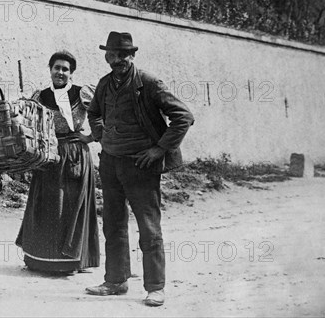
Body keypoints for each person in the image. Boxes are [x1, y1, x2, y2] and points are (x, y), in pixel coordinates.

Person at [84, 31, 194, 306]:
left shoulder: (149, 83)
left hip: (141, 166)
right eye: (112, 54)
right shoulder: (104, 84)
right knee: (113, 224)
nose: (117, 60)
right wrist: (100, 133)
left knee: (148, 227)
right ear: (106, 56)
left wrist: (159, 149)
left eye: (123, 54)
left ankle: (155, 287)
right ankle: (115, 280)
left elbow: (183, 116)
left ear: (132, 55)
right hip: (110, 162)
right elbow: (94, 112)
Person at [16, 50, 100, 274]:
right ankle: (41, 260)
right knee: (48, 206)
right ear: (50, 69)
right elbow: (27, 124)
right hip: (48, 157)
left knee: (71, 207)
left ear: (71, 73)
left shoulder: (81, 93)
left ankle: (72, 262)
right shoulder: (40, 96)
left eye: (65, 69)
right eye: (57, 68)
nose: (60, 72)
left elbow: (103, 114)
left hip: (74, 155)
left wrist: (91, 137)